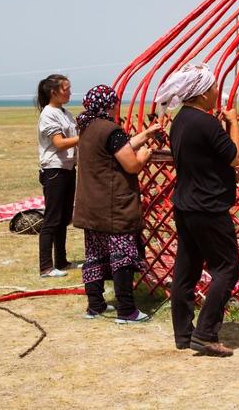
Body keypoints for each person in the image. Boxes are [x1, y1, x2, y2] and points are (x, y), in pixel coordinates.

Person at [156, 64, 239, 357]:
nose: (217, 92)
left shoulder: (180, 120)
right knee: (228, 268)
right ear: (204, 93)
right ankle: (205, 334)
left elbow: (204, 158)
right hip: (208, 206)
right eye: (214, 88)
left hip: (185, 203)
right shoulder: (206, 123)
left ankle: (183, 333)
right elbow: (234, 158)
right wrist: (233, 122)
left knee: (187, 268)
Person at [73, 85, 161, 323]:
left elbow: (118, 147)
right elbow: (131, 164)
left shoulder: (88, 127)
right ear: (110, 105)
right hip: (113, 207)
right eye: (116, 103)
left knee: (94, 255)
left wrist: (147, 133)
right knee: (121, 256)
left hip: (91, 205)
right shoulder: (111, 129)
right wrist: (143, 157)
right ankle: (127, 311)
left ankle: (95, 306)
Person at [36, 74, 79, 277]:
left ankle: (61, 261)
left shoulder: (65, 113)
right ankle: (46, 266)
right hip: (54, 170)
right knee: (52, 219)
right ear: (54, 92)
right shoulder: (48, 114)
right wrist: (86, 137)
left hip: (68, 168)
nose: (69, 92)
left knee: (63, 218)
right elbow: (60, 143)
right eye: (66, 89)